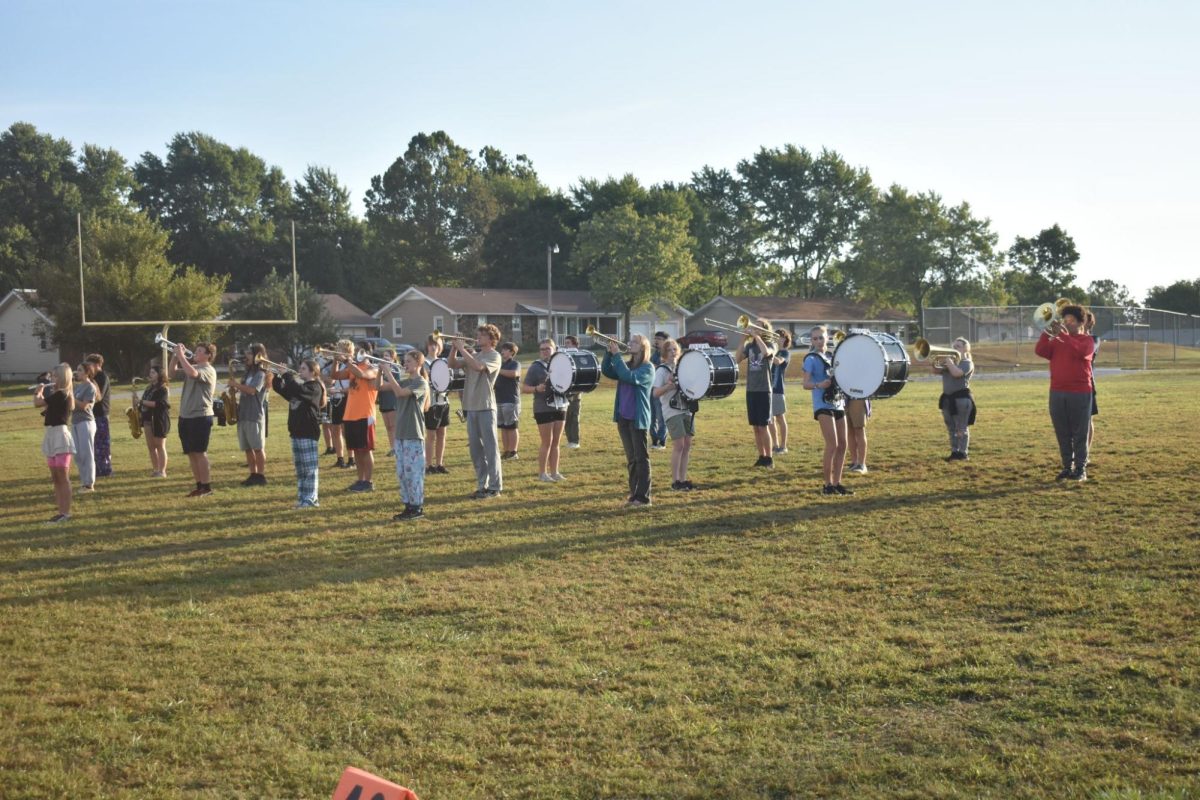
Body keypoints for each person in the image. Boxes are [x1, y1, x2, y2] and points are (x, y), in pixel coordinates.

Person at [1035, 304, 1094, 482]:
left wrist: (1062, 335)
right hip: (1057, 391)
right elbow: (1040, 350)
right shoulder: (1058, 340)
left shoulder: (1087, 341)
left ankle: (1081, 468)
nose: (1066, 324)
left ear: (1080, 323)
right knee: (1062, 432)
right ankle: (1067, 467)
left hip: (1080, 392)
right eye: (1065, 320)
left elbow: (1079, 351)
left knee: (1079, 433)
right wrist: (1047, 333)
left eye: (1071, 321)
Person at [449, 324, 503, 499]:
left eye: (481, 335)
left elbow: (479, 367)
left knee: (490, 448)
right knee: (475, 450)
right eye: (477, 334)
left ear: (491, 339)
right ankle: (482, 485)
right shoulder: (475, 354)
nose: (477, 337)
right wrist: (453, 349)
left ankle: (495, 487)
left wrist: (462, 348)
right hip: (470, 406)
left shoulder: (494, 356)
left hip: (486, 406)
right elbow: (453, 364)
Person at [601, 333, 654, 508]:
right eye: (630, 341)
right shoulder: (627, 364)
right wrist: (609, 353)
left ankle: (643, 497)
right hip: (623, 418)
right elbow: (608, 371)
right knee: (631, 459)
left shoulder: (647, 368)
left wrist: (617, 355)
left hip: (637, 419)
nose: (629, 344)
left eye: (634, 342)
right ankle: (634, 494)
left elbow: (629, 377)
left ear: (643, 347)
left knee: (641, 458)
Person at [381, 350, 430, 520]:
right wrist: (380, 370)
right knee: (402, 472)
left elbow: (400, 393)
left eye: (408, 361)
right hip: (401, 435)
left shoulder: (420, 382)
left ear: (418, 364)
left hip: (413, 434)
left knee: (413, 473)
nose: (405, 363)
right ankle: (408, 506)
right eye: (404, 361)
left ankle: (417, 508)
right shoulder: (405, 381)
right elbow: (377, 387)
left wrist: (388, 372)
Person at [802, 326, 851, 496]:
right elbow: (805, 384)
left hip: (837, 403)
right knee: (833, 444)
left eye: (820, 338)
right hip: (822, 405)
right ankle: (827, 485)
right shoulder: (810, 359)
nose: (818, 341)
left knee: (843, 444)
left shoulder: (832, 356)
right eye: (814, 339)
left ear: (827, 337)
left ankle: (837, 483)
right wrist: (819, 385)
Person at [272, 359, 327, 509]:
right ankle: (303, 498)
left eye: (303, 369)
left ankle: (311, 499)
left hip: (308, 431)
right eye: (300, 368)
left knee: (310, 469)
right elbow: (282, 390)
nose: (300, 371)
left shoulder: (314, 387)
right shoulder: (300, 387)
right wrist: (277, 376)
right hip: (296, 432)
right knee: (301, 469)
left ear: (312, 372)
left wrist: (287, 375)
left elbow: (297, 390)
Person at [170, 341, 217, 497]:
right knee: (191, 453)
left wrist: (181, 355)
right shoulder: (194, 367)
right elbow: (171, 373)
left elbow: (192, 374)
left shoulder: (208, 370)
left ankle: (207, 487)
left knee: (200, 452)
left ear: (208, 355)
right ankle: (199, 486)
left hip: (200, 416)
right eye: (195, 350)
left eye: (200, 351)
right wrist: (175, 357)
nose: (195, 352)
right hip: (186, 416)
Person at [331, 339, 380, 492]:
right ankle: (360, 480)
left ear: (366, 353)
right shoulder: (353, 367)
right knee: (357, 450)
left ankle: (368, 481)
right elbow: (335, 375)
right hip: (350, 415)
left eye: (359, 350)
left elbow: (362, 374)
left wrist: (347, 361)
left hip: (365, 414)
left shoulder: (373, 368)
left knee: (365, 450)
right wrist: (335, 360)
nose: (355, 353)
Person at [522, 338, 567, 482]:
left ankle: (555, 472)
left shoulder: (561, 364)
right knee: (546, 442)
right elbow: (524, 388)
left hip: (560, 405)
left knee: (556, 442)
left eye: (547, 348)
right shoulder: (536, 367)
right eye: (542, 349)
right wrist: (536, 388)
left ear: (554, 350)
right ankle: (542, 473)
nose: (544, 352)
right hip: (543, 407)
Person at [35, 363, 76, 523]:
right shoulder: (57, 394)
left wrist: (38, 392)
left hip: (60, 436)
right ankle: (61, 512)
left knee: (62, 476)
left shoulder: (62, 394)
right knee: (55, 477)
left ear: (63, 377)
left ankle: (65, 513)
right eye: (52, 376)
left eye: (55, 376)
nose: (52, 378)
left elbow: (37, 403)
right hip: (51, 434)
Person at [652, 338, 694, 491]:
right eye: (669, 350)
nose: (672, 352)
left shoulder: (683, 368)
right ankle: (675, 481)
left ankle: (683, 480)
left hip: (686, 409)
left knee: (687, 444)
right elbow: (656, 393)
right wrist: (669, 386)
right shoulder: (662, 370)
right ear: (664, 353)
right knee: (679, 445)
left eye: (674, 349)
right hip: (671, 411)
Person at [735, 318, 777, 468]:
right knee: (755, 427)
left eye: (758, 327)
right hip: (751, 389)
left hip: (764, 390)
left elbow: (766, 353)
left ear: (765, 330)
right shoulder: (750, 347)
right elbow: (737, 359)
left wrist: (757, 336)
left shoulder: (772, 344)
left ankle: (769, 458)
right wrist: (742, 340)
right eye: (753, 326)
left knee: (763, 426)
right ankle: (761, 456)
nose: (753, 328)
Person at [231, 343, 270, 486]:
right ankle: (253, 474)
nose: (246, 356)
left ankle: (261, 475)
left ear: (257, 356)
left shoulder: (261, 373)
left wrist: (236, 385)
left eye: (249, 353)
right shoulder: (248, 373)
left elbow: (253, 390)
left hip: (254, 414)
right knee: (247, 448)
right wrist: (235, 390)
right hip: (243, 413)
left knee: (258, 448)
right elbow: (245, 389)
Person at [934, 338, 976, 461]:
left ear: (965, 349)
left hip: (961, 399)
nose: (954, 348)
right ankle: (954, 452)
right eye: (954, 346)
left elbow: (956, 373)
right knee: (951, 427)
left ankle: (963, 453)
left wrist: (949, 362)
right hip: (947, 399)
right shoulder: (950, 362)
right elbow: (935, 371)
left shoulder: (967, 362)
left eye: (958, 346)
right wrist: (934, 361)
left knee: (961, 427)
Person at [423, 334, 451, 474]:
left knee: (442, 434)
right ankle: (428, 465)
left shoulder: (443, 361)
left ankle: (439, 463)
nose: (433, 347)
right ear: (427, 346)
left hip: (444, 401)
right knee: (431, 435)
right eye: (431, 344)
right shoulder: (423, 362)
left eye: (436, 345)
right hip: (431, 403)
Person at [321, 343, 350, 468]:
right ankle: (340, 458)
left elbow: (353, 387)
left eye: (340, 350)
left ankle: (352, 458)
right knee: (335, 430)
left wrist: (338, 391)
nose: (337, 352)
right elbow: (333, 376)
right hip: (337, 399)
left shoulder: (352, 364)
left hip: (346, 398)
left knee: (345, 431)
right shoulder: (339, 364)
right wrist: (335, 361)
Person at [71, 362, 99, 492]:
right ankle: (84, 482)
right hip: (75, 422)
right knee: (77, 455)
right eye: (77, 370)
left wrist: (70, 397)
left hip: (86, 422)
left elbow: (84, 406)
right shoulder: (77, 387)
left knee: (86, 453)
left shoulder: (90, 387)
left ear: (87, 372)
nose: (77, 372)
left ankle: (89, 484)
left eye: (80, 370)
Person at [84, 353, 113, 478]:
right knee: (94, 443)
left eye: (90, 365)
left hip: (101, 414)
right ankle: (96, 468)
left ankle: (105, 469)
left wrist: (91, 380)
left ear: (97, 365)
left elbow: (99, 397)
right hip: (92, 415)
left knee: (102, 444)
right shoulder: (92, 377)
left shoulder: (102, 377)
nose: (88, 367)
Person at [139, 363, 170, 477]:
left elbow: (160, 404)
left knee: (160, 446)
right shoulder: (149, 388)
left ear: (159, 374)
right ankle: (155, 470)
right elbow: (143, 402)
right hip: (147, 420)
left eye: (153, 372)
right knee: (151, 447)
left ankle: (162, 471)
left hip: (158, 420)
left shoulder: (163, 389)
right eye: (150, 372)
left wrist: (141, 402)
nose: (150, 374)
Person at [496, 341, 521, 460]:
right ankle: (506, 451)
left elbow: (514, 373)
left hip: (510, 400)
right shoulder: (501, 364)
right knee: (503, 427)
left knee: (511, 427)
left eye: (505, 349)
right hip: (499, 399)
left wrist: (497, 370)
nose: (502, 351)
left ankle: (513, 452)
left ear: (512, 352)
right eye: (502, 349)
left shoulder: (515, 363)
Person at [769, 329, 792, 455]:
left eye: (779, 337)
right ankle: (775, 445)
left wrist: (769, 352)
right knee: (770, 419)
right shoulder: (774, 351)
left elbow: (778, 361)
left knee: (780, 418)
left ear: (785, 339)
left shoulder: (785, 353)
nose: (776, 338)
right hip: (767, 389)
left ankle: (783, 446)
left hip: (777, 389)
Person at [375, 348, 400, 457]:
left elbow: (394, 385)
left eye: (388, 356)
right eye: (384, 355)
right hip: (383, 400)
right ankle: (392, 448)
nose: (385, 357)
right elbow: (378, 385)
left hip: (392, 400)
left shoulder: (395, 369)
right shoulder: (380, 369)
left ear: (393, 358)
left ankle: (397, 448)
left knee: (394, 426)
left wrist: (382, 380)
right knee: (388, 427)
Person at [648, 331, 669, 449]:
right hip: (651, 388)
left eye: (659, 339)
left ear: (665, 341)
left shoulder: (667, 354)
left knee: (661, 418)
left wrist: (655, 367)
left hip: (661, 390)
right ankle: (654, 440)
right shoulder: (654, 354)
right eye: (655, 338)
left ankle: (662, 441)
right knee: (652, 417)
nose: (656, 341)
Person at [562, 334, 583, 449]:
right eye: (565, 343)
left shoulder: (579, 357)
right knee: (566, 417)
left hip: (576, 392)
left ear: (575, 345)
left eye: (568, 343)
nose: (566, 345)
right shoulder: (564, 357)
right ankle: (570, 440)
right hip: (565, 391)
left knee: (574, 417)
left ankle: (575, 441)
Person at [1085, 311, 1100, 463]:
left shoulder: (1094, 339)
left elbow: (1087, 351)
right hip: (1068, 386)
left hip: (1087, 385)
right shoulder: (1070, 338)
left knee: (1087, 420)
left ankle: (1085, 453)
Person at [844, 399, 870, 474]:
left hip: (858, 396)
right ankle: (854, 462)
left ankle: (862, 464)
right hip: (843, 398)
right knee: (849, 430)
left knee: (859, 429)